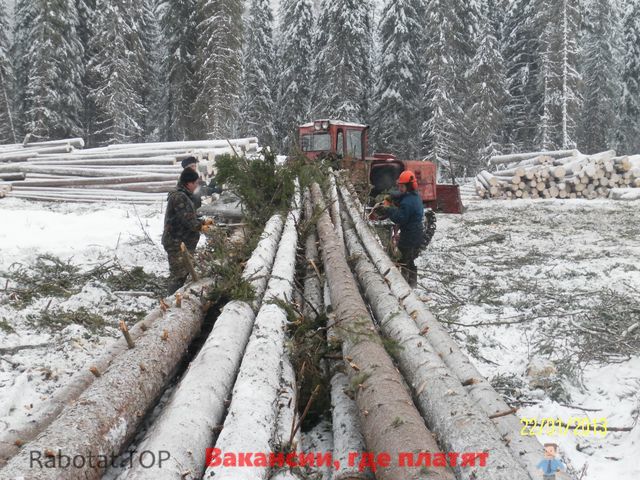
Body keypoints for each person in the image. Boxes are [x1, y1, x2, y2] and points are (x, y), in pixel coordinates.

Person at [162, 168, 213, 295]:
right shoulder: (179, 197)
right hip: (176, 242)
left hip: (181, 242)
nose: (196, 186)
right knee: (178, 275)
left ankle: (176, 298)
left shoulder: (184, 195)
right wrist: (200, 226)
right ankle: (171, 301)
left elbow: (189, 216)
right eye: (195, 183)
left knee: (183, 272)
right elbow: (188, 220)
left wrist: (202, 222)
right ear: (188, 183)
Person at [375, 170, 424, 288]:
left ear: (409, 186)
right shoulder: (414, 195)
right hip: (417, 232)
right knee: (410, 259)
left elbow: (400, 218)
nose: (400, 189)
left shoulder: (408, 202)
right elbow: (401, 195)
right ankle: (412, 284)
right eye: (399, 186)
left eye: (402, 187)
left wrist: (388, 210)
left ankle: (405, 286)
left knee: (403, 259)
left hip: (410, 235)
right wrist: (391, 196)